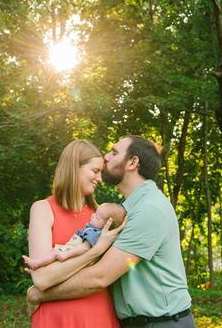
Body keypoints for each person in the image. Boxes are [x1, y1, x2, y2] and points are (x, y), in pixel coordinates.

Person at [27, 135, 196, 328]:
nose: (106, 157)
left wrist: (38, 294)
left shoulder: (149, 209)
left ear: (133, 162)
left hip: (162, 323)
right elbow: (44, 276)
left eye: (114, 152)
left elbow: (100, 277)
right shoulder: (119, 212)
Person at [25, 139, 123, 328]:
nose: (100, 179)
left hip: (98, 315)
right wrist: (95, 251)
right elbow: (42, 279)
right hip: (55, 319)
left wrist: (57, 272)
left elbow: (102, 275)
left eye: (101, 172)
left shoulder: (102, 217)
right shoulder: (43, 209)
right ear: (73, 168)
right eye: (95, 171)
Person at [23, 203, 126, 269]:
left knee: (54, 252)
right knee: (52, 252)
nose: (93, 215)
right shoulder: (92, 229)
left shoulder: (95, 233)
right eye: (95, 213)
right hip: (71, 249)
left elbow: (85, 248)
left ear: (105, 226)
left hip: (72, 252)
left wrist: (66, 254)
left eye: (97, 218)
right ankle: (37, 266)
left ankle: (36, 264)